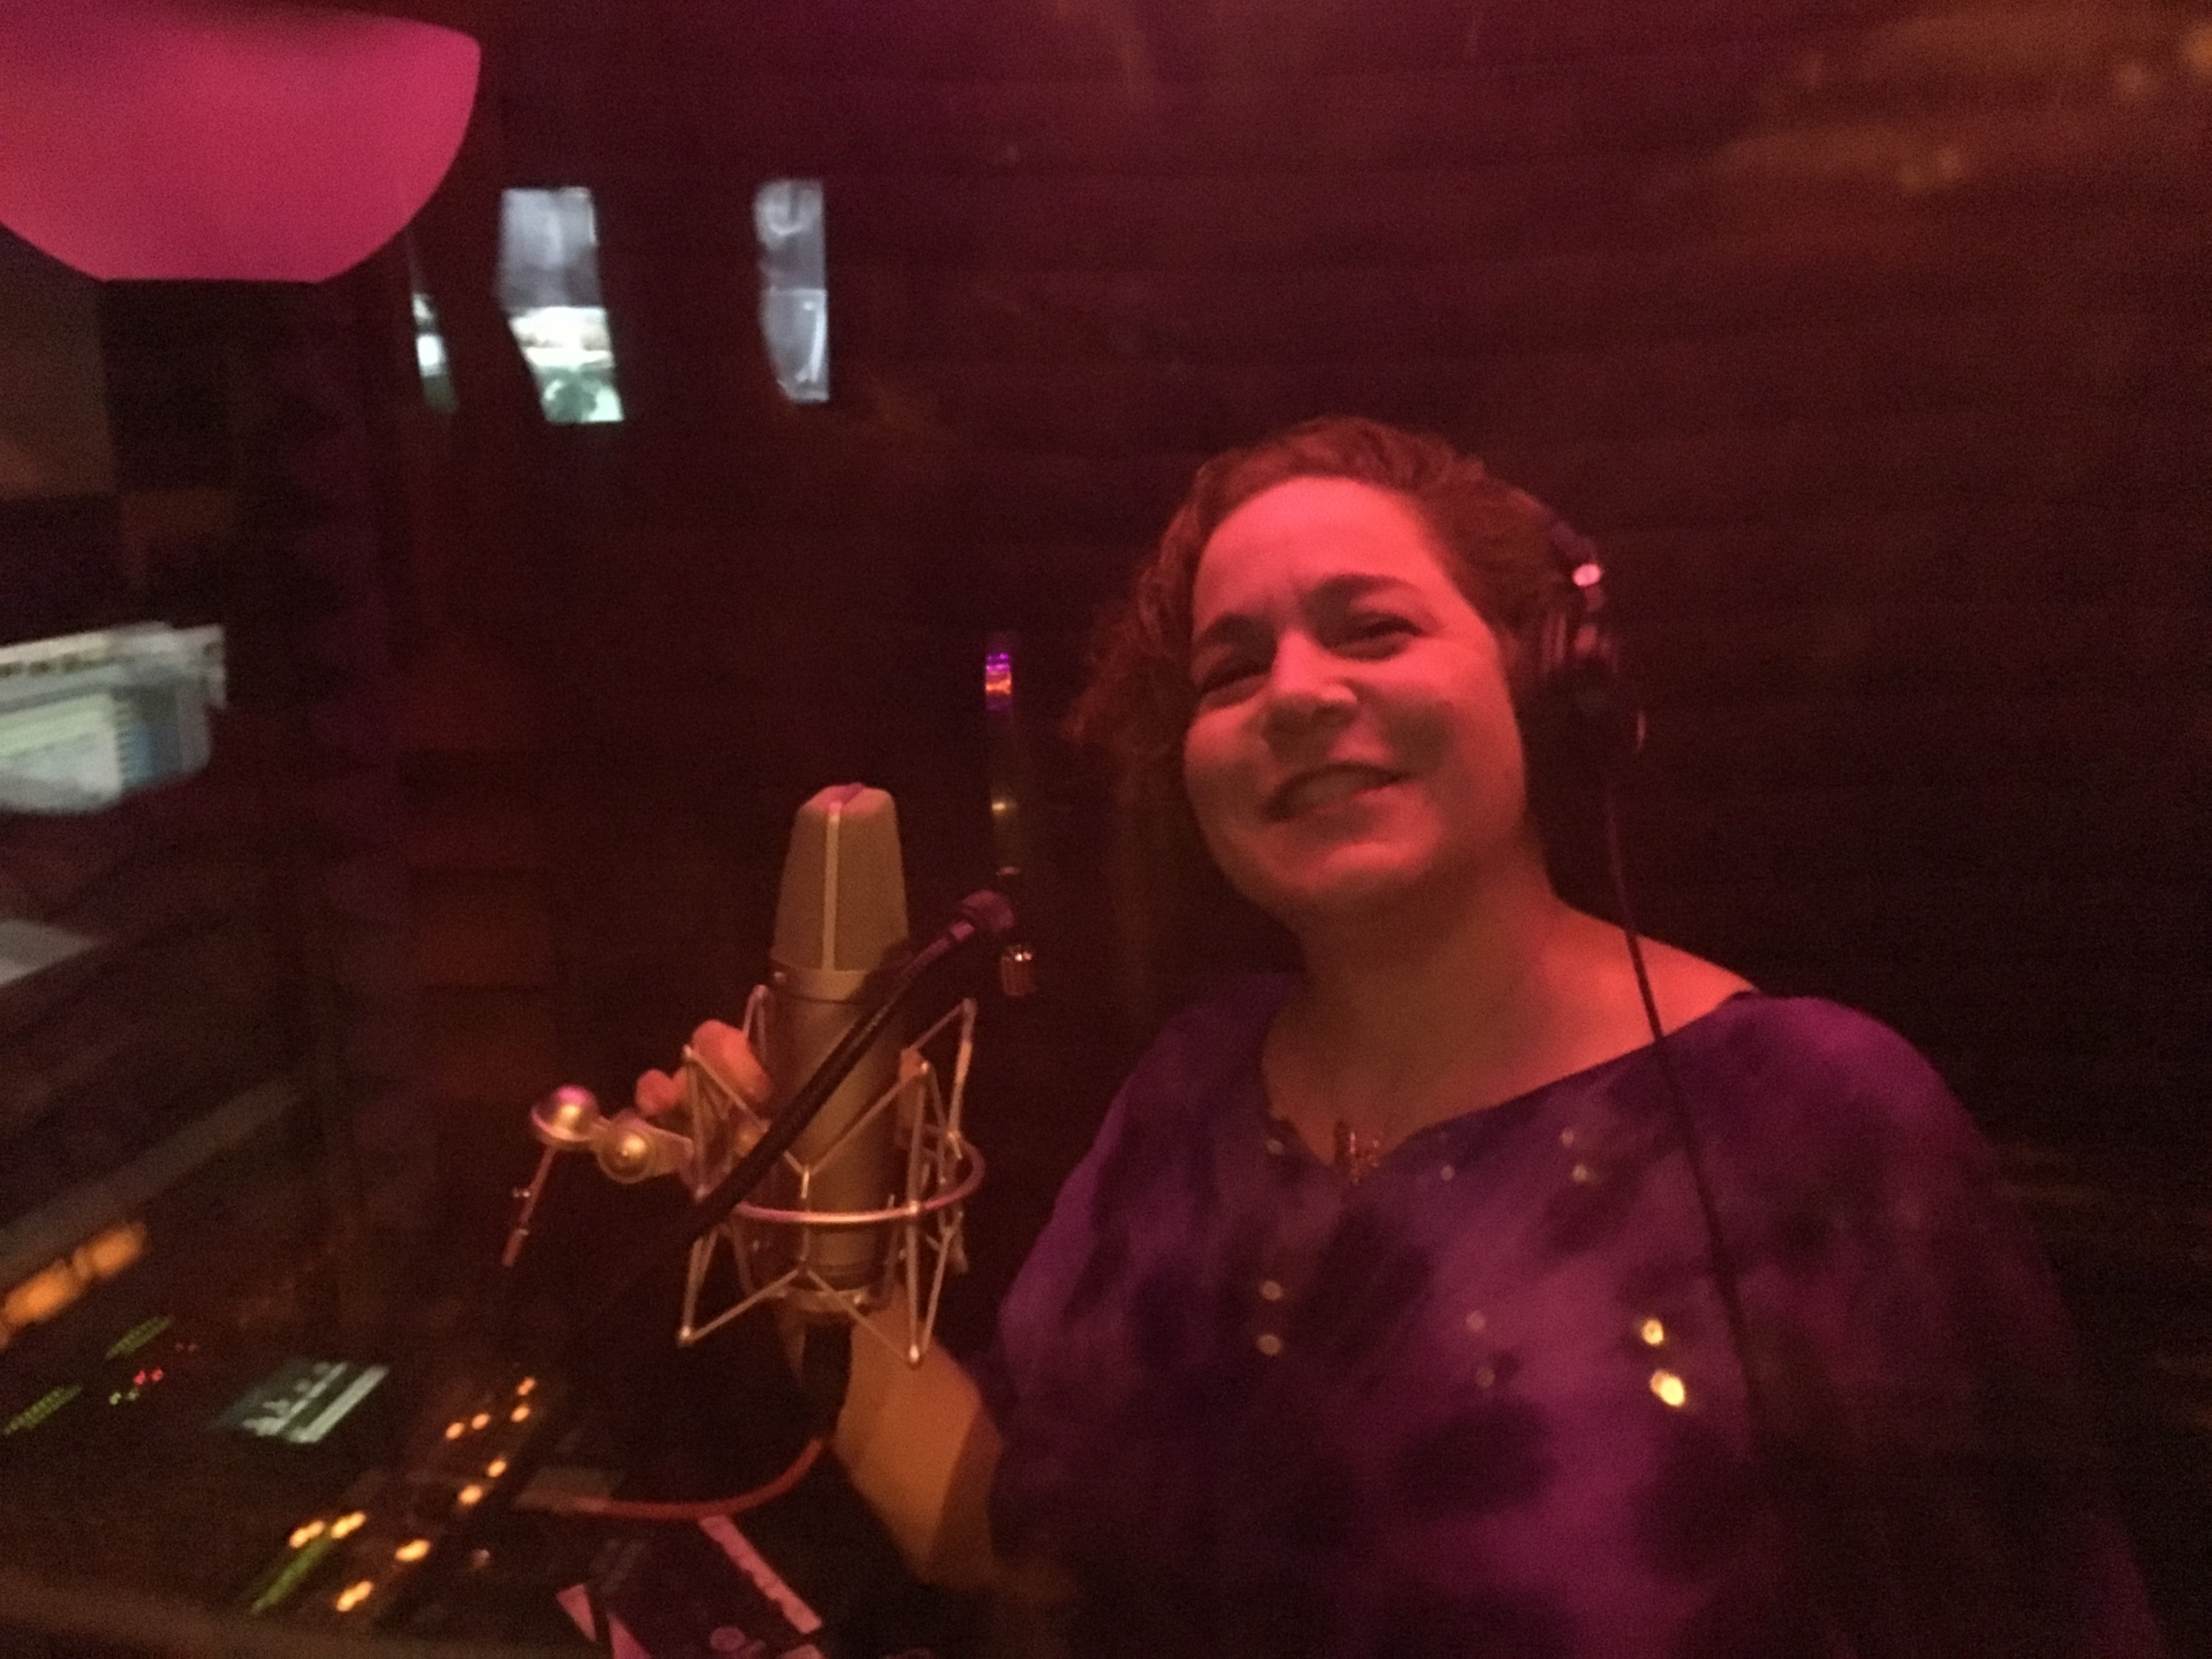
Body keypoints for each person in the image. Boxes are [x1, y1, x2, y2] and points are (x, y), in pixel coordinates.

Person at [640, 417, 2163, 1658]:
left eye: (1373, 628)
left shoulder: (1809, 1117)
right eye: (1232, 670)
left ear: (1548, 681)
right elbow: (999, 1532)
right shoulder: (1191, 1094)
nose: (1298, 695)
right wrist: (795, 1235)